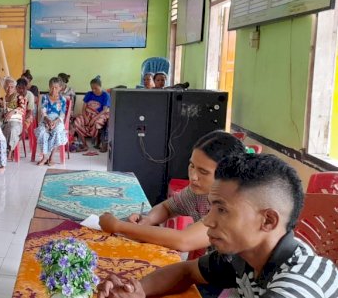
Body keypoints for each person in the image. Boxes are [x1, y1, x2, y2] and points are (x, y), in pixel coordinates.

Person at [98, 154, 338, 298]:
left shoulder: (297, 286)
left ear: (268, 220)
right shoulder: (245, 254)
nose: (209, 220)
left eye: (222, 209)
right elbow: (187, 270)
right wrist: (137, 290)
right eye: (212, 207)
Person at [98, 131, 246, 260]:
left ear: (227, 175)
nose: (193, 176)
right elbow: (168, 207)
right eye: (192, 165)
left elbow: (183, 241)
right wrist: (149, 220)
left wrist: (119, 226)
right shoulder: (199, 191)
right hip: (207, 266)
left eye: (203, 172)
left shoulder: (230, 206)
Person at [34, 77, 68, 166]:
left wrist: (55, 122)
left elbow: (62, 114)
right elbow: (43, 112)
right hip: (46, 120)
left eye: (56, 88)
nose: (53, 90)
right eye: (52, 87)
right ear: (49, 87)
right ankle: (44, 157)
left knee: (57, 132)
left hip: (58, 121)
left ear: (60, 88)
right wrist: (48, 121)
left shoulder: (62, 99)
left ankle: (51, 157)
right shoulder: (45, 97)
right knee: (42, 131)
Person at [73, 75, 110, 154]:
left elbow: (105, 110)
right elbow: (84, 108)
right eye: (92, 88)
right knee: (77, 122)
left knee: (97, 123)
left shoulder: (106, 95)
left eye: (95, 88)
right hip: (87, 113)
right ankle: (84, 144)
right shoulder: (89, 94)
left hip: (99, 114)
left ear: (100, 86)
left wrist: (94, 119)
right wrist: (85, 117)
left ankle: (98, 141)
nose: (93, 90)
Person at [0, 77, 28, 161]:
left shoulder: (19, 97)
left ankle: (9, 151)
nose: (9, 88)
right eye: (7, 86)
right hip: (4, 121)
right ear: (4, 87)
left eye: (12, 87)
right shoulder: (1, 100)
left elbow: (22, 108)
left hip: (16, 122)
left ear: (15, 88)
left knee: (12, 128)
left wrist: (12, 112)